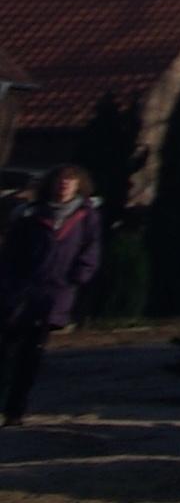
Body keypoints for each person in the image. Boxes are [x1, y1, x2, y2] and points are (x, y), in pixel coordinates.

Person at [0, 165, 103, 429]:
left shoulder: (84, 215)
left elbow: (90, 249)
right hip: (21, 289)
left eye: (70, 181)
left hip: (54, 292)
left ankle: (15, 409)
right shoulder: (31, 213)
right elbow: (11, 251)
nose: (64, 185)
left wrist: (78, 277)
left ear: (78, 185)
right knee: (6, 349)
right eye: (60, 180)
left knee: (32, 353)